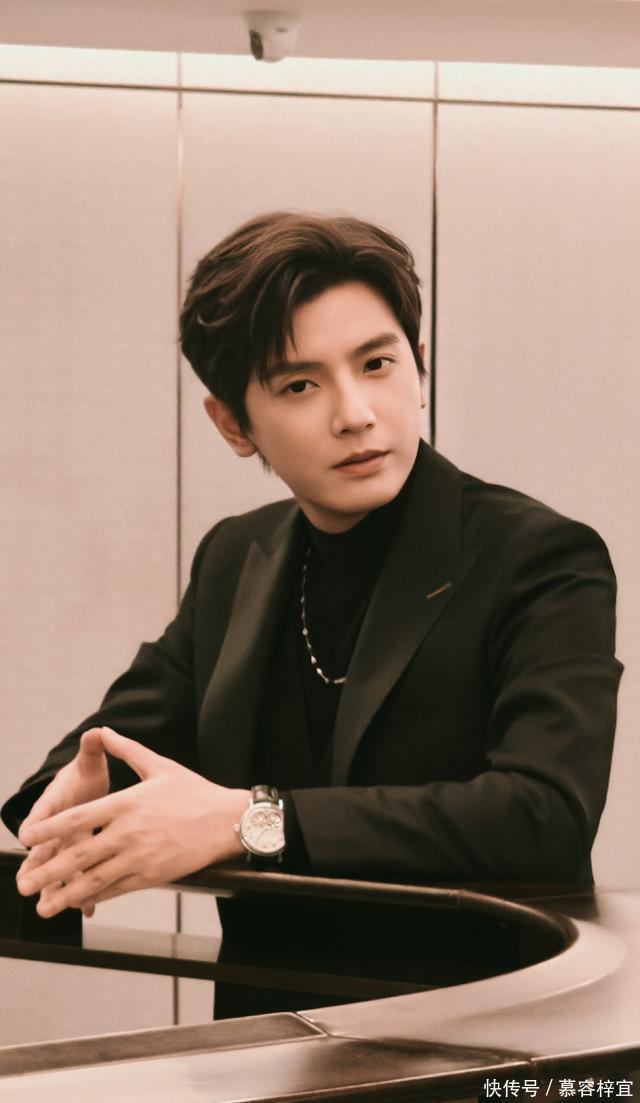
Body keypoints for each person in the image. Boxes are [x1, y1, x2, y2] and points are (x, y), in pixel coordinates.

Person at [2, 212, 622, 1017]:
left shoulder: (539, 556)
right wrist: (73, 801)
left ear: (420, 368)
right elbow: (121, 736)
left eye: (377, 364)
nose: (355, 412)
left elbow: (544, 815)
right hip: (265, 1043)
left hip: (478, 1038)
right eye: (300, 385)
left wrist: (253, 820)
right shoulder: (236, 556)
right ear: (232, 424)